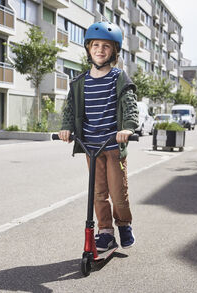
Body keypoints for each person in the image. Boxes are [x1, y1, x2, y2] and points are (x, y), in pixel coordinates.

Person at [58, 22, 139, 251]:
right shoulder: (79, 82)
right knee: (98, 193)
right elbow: (70, 110)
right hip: (90, 147)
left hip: (113, 145)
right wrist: (66, 128)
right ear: (88, 48)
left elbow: (129, 105)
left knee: (118, 193)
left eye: (106, 46)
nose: (100, 49)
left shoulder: (118, 78)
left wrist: (128, 128)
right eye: (95, 45)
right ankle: (105, 232)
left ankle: (123, 224)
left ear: (114, 51)